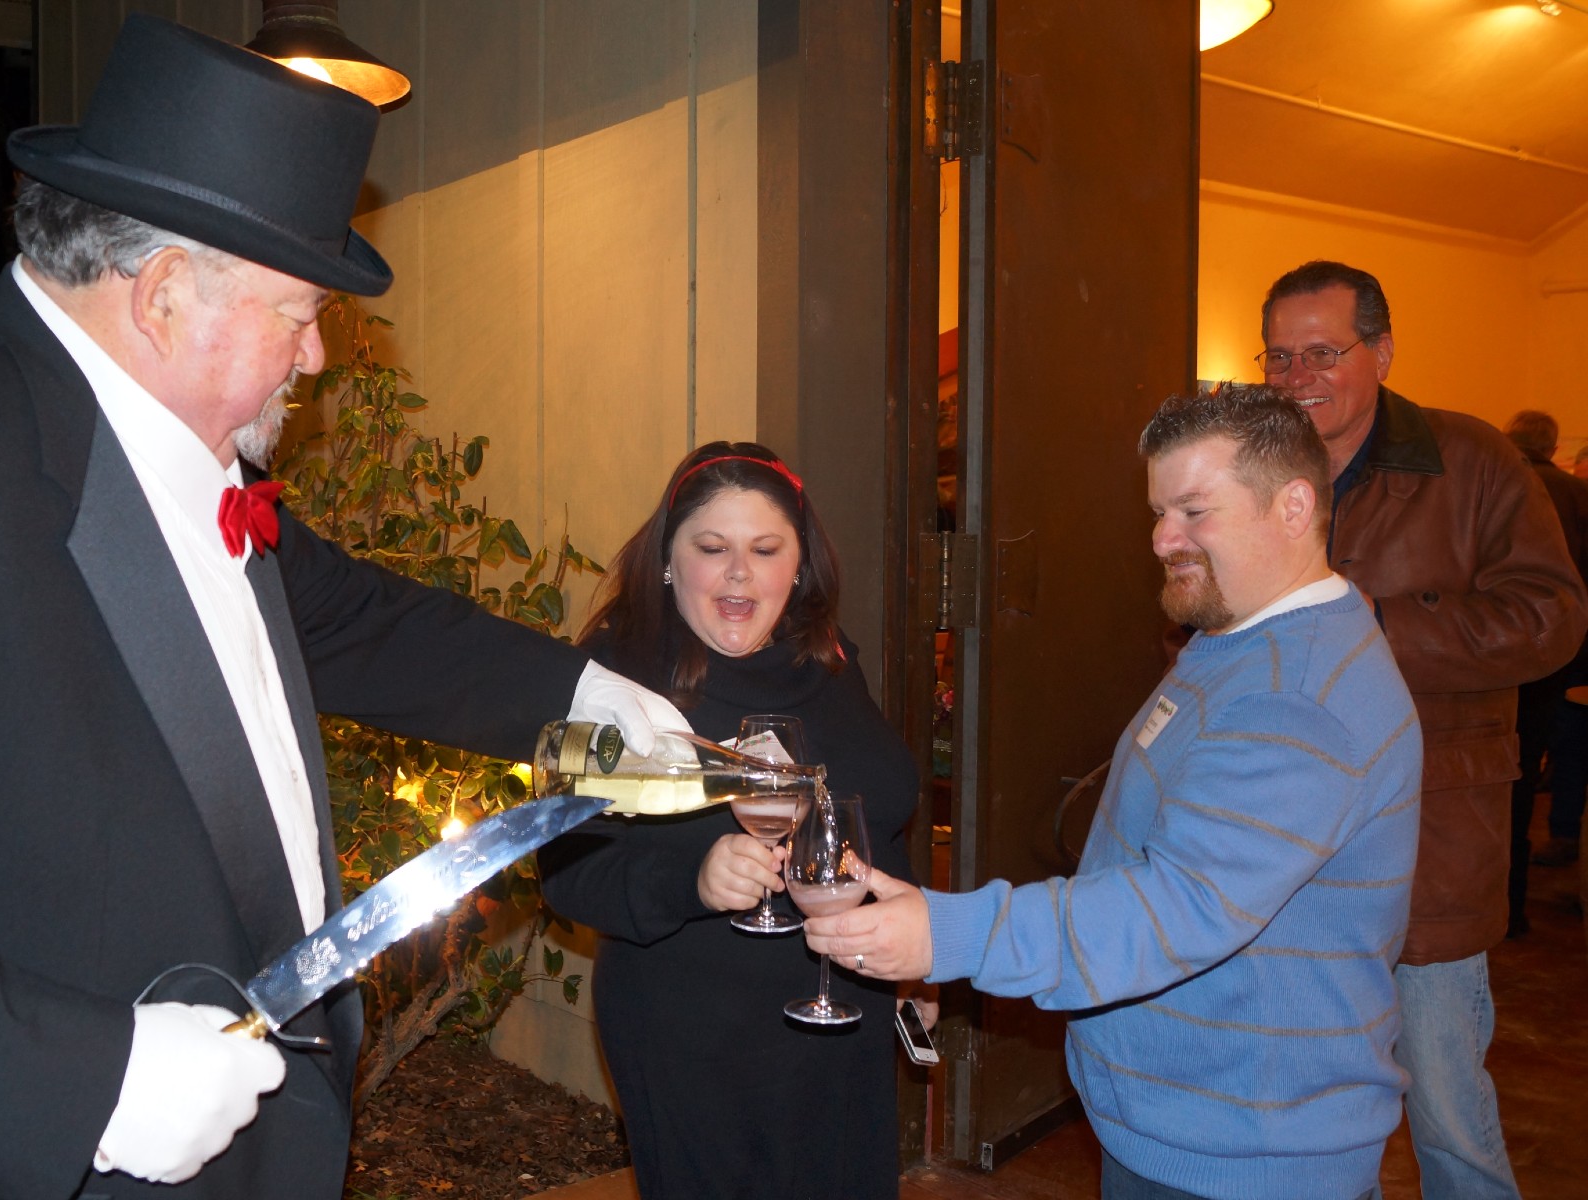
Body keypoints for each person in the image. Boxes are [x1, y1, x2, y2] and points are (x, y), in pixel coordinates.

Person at [0, 17, 683, 1200]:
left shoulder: (189, 456)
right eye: (296, 312)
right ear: (162, 294)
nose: (315, 359)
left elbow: (357, 619)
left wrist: (584, 693)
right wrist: (80, 1084)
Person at [806, 384, 1423, 1200]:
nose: (1165, 538)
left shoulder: (1296, 695)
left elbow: (1175, 907)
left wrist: (948, 938)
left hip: (1244, 1156)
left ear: (1294, 506)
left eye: (1194, 511)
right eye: (1160, 512)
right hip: (1196, 1124)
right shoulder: (1238, 640)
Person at [1253, 262, 1585, 1198]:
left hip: (1430, 831)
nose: (1298, 375)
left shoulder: (1472, 460)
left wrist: (1382, 625)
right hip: (1281, 834)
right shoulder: (1257, 463)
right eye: (1280, 355)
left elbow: (1553, 617)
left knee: (1446, 1108)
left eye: (1324, 351)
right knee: (1306, 1102)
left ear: (1384, 351)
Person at [538, 442, 919, 1200]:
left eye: (765, 549)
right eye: (712, 549)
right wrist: (693, 877)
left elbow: (885, 817)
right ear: (669, 561)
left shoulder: (833, 661)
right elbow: (567, 873)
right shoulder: (608, 683)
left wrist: (914, 957)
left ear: (800, 565)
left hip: (843, 1012)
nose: (739, 572)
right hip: (692, 1032)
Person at [1503, 410, 1588, 876]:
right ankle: (1559, 840)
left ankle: (1507, 892)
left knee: (1507, 765)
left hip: (1497, 648)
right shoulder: (1578, 495)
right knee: (1559, 750)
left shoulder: (1489, 485)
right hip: (1566, 650)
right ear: (1553, 448)